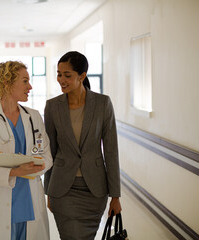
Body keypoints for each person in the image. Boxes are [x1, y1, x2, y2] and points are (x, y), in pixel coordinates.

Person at [44, 51, 122, 239]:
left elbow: (111, 151)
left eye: (67, 75)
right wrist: (48, 190)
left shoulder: (103, 103)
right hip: (63, 190)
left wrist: (115, 196)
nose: (61, 79)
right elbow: (50, 151)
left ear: (82, 76)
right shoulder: (52, 106)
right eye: (59, 74)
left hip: (94, 191)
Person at [0, 61, 53, 240]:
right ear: (7, 83)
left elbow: (47, 156)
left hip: (30, 200)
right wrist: (16, 171)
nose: (30, 86)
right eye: (25, 81)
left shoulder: (33, 117)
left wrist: (37, 166)